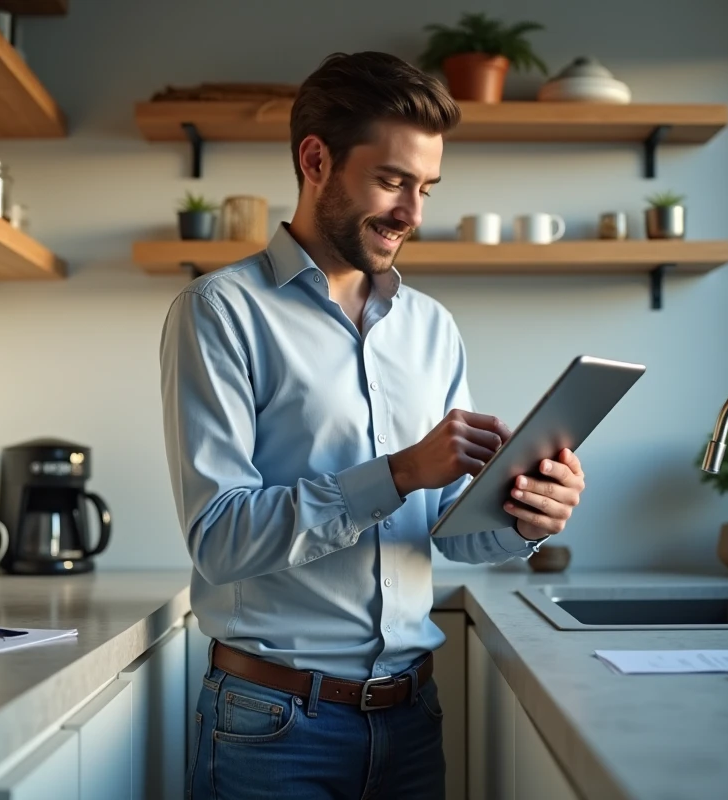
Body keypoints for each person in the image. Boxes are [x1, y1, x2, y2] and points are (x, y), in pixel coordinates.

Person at [159, 50, 586, 800]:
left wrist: (524, 518)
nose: (413, 214)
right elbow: (219, 538)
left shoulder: (431, 327)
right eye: (392, 181)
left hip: (411, 720)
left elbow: (448, 534)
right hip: (272, 727)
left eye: (425, 188)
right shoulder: (221, 313)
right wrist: (396, 474)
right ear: (316, 159)